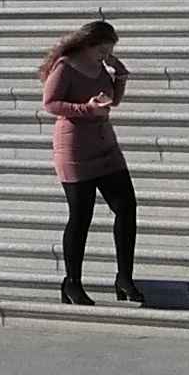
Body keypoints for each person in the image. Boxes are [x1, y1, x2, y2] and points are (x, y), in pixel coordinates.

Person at [41, 18, 137, 308]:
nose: (105, 56)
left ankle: (124, 278)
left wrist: (120, 76)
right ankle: (72, 283)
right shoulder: (65, 66)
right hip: (75, 147)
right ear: (88, 44)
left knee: (126, 207)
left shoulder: (101, 66)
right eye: (102, 51)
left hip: (105, 144)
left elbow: (113, 101)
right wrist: (86, 108)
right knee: (81, 217)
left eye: (109, 52)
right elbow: (51, 103)